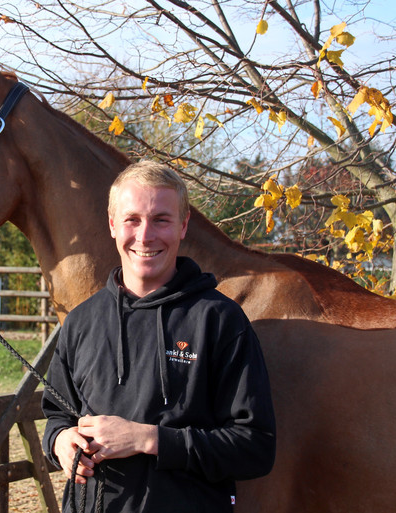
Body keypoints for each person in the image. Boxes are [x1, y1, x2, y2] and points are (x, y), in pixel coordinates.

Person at [42, 160, 276, 512]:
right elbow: (57, 415)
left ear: (183, 226)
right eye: (132, 219)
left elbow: (254, 448)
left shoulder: (220, 321)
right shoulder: (80, 322)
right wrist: (60, 440)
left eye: (161, 220)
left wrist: (148, 439)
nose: (145, 235)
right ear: (112, 225)